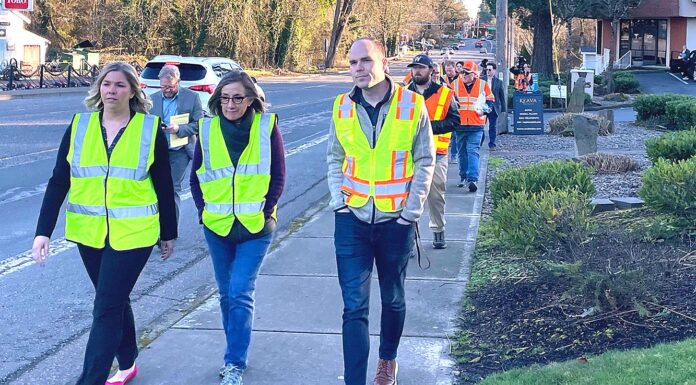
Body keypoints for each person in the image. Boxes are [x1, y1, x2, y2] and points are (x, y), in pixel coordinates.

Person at [31, 61, 177, 385]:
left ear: (133, 91)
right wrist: (43, 231)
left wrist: (169, 233)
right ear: (98, 88)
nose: (112, 90)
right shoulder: (79, 126)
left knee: (106, 307)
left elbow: (165, 186)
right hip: (90, 233)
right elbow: (59, 181)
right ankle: (127, 361)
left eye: (120, 85)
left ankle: (90, 380)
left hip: (135, 234)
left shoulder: (148, 130)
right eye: (106, 84)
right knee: (113, 299)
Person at [327, 37, 434, 385]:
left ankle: (387, 360)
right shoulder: (341, 106)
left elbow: (425, 160)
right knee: (354, 306)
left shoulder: (411, 105)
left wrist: (411, 213)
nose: (359, 68)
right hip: (352, 219)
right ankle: (354, 380)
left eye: (366, 61)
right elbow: (334, 157)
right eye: (353, 62)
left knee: (393, 298)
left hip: (395, 221)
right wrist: (338, 203)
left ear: (384, 63)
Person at [190, 70, 285, 385]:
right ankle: (235, 350)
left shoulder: (265, 127)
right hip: (217, 227)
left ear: (250, 100)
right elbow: (195, 177)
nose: (231, 104)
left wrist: (267, 209)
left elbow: (278, 175)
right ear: (217, 100)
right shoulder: (207, 129)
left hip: (256, 228)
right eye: (225, 98)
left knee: (240, 291)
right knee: (225, 295)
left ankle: (234, 363)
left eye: (238, 98)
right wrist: (203, 211)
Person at [406, 54, 459, 249]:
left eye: (421, 67)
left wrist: (428, 127)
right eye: (414, 67)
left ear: (431, 70)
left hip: (437, 153)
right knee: (410, 196)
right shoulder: (403, 94)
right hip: (409, 154)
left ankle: (438, 229)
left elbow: (455, 121)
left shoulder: (445, 94)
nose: (417, 71)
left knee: (436, 194)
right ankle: (410, 237)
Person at [149, 64, 204, 226]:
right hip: (157, 150)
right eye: (163, 86)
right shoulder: (153, 98)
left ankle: (170, 229)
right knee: (155, 188)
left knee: (172, 189)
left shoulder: (192, 97)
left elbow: (199, 123)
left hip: (180, 150)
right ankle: (156, 226)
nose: (166, 90)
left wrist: (180, 129)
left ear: (178, 81)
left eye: (170, 87)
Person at [452, 60, 494, 192]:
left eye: (467, 72)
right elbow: (449, 103)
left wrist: (485, 110)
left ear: (475, 74)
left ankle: (472, 179)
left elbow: (490, 101)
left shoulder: (483, 85)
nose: (464, 74)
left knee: (473, 150)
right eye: (462, 72)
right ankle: (463, 175)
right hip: (460, 125)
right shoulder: (455, 85)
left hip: (476, 125)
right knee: (462, 153)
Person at [480, 62, 507, 149]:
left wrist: (503, 108)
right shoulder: (481, 80)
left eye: (490, 69)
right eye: (486, 69)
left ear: (494, 70)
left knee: (493, 126)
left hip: (493, 106)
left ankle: (492, 144)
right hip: (483, 106)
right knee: (481, 125)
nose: (488, 71)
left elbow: (501, 96)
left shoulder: (499, 82)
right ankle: (480, 142)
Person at [443, 60, 459, 163]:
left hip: (457, 110)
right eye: (447, 70)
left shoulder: (460, 79)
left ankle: (454, 155)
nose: (448, 72)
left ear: (454, 68)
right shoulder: (442, 79)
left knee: (455, 135)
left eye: (450, 70)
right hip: (445, 109)